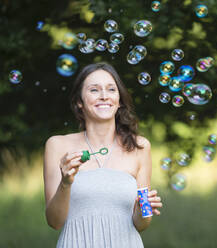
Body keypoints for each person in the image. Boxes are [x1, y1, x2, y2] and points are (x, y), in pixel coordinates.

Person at [43, 62, 163, 247]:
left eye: (111, 89)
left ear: (120, 100)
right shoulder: (57, 145)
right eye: (94, 90)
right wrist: (66, 183)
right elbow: (54, 222)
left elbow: (142, 224)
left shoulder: (140, 147)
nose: (104, 96)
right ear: (79, 102)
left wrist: (142, 211)